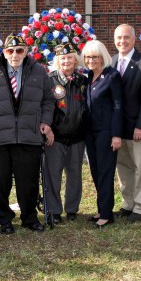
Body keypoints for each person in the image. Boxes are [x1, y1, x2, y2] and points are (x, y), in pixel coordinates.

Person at [0, 35, 55, 234]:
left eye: (19, 50)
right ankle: (4, 220)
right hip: (0, 137)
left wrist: (45, 122)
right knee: (0, 182)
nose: (15, 55)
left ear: (26, 52)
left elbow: (47, 100)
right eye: (10, 51)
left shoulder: (38, 71)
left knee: (28, 181)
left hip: (29, 136)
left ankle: (29, 218)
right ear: (4, 52)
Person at [112, 24, 141, 222]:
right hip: (119, 129)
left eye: (126, 37)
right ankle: (127, 204)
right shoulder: (111, 62)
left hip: (138, 128)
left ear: (134, 39)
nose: (122, 41)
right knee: (124, 168)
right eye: (119, 38)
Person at [43, 42, 88, 224]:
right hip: (55, 137)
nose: (66, 61)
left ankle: (72, 209)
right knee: (53, 174)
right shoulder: (50, 80)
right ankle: (54, 210)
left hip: (77, 137)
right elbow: (44, 107)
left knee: (75, 174)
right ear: (58, 61)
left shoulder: (83, 81)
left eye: (70, 57)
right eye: (63, 58)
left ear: (76, 61)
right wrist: (48, 129)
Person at [82, 40, 123, 228]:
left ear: (103, 57)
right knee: (96, 171)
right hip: (90, 132)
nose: (91, 60)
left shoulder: (112, 76)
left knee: (106, 172)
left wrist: (116, 134)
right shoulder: (88, 76)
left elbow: (118, 106)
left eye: (95, 56)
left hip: (106, 132)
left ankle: (107, 214)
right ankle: (102, 208)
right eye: (88, 57)